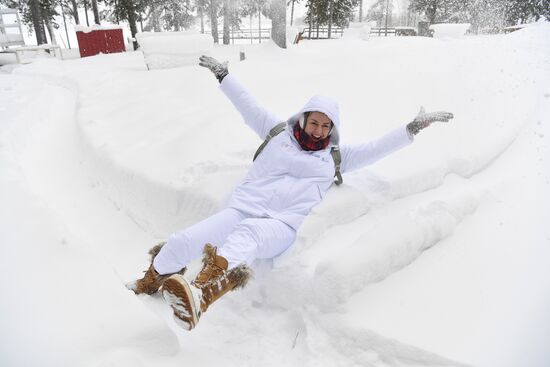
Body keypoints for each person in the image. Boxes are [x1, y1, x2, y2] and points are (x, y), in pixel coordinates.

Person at [128, 55, 454, 331]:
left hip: (280, 226)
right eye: (315, 123)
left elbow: (376, 148)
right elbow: (248, 106)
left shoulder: (336, 156)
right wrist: (224, 75)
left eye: (327, 127)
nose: (319, 131)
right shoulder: (276, 133)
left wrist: (411, 128)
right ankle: (153, 279)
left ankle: (199, 295)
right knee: (185, 240)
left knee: (248, 236)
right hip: (243, 207)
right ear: (304, 118)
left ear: (333, 129)